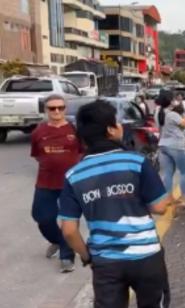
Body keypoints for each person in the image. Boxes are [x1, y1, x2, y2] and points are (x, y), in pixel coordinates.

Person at [59, 100, 171, 307]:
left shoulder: (73, 175)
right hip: (147, 257)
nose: (121, 126)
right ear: (110, 130)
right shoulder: (136, 162)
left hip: (106, 263)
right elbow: (160, 206)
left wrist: (87, 257)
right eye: (117, 122)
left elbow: (68, 230)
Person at [30, 94, 80, 273]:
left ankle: (67, 257)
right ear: (46, 110)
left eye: (60, 108)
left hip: (70, 184)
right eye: (52, 108)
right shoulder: (38, 132)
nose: (57, 111)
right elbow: (36, 155)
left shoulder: (74, 130)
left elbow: (81, 153)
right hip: (45, 182)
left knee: (69, 221)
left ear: (65, 109)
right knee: (42, 217)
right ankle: (58, 241)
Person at [155, 90, 185, 206]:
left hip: (162, 145)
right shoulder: (172, 114)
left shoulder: (158, 112)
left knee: (168, 173)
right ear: (170, 101)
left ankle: (168, 197)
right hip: (177, 145)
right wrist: (183, 114)